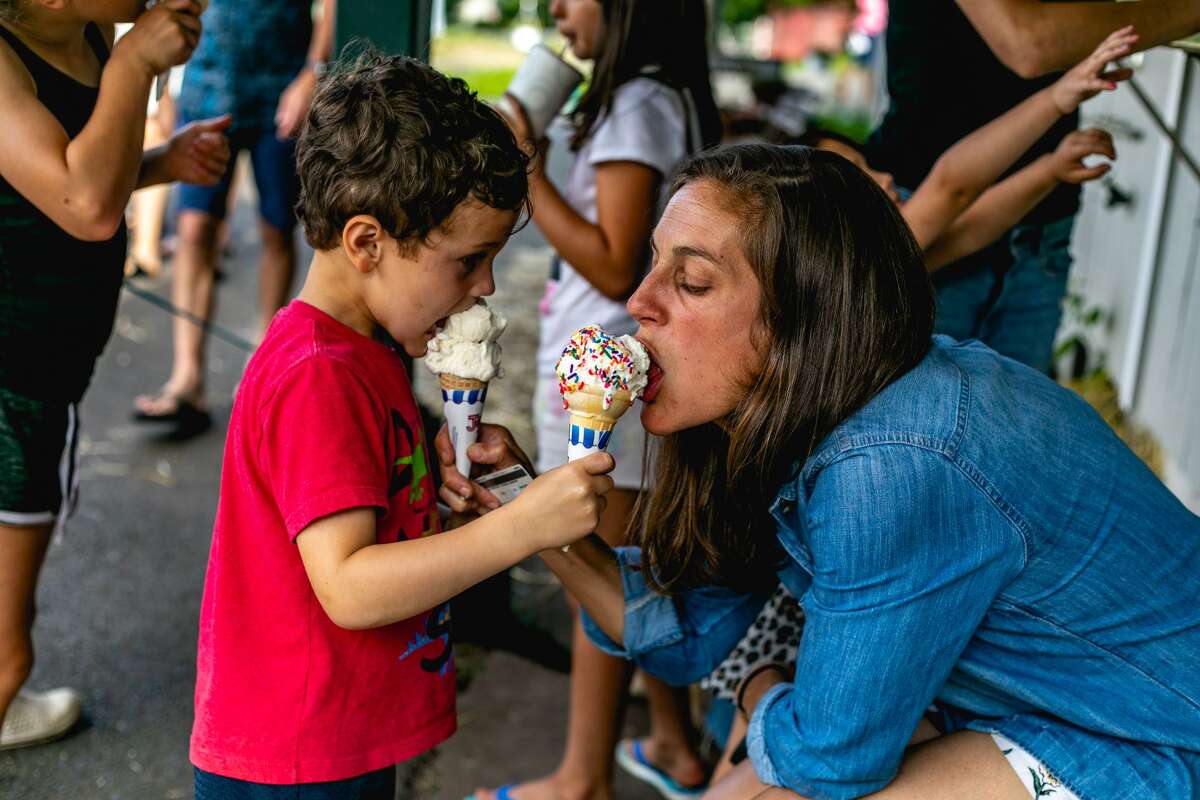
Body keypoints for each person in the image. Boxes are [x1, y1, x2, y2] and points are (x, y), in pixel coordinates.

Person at [441, 143, 1200, 798]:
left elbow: (832, 761)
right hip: (1034, 698)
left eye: (692, 282)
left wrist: (763, 685)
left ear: (799, 320)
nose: (638, 302)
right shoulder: (805, 415)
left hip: (1150, 734)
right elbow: (684, 629)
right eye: (652, 268)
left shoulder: (891, 466)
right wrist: (521, 503)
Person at [188, 52, 617, 800]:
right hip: (299, 758)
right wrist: (521, 530)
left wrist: (454, 479)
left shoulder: (368, 348)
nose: (484, 285)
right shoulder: (318, 375)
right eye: (469, 261)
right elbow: (350, 587)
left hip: (340, 737)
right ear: (366, 243)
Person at [483, 1, 721, 798]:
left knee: (601, 575)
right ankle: (673, 741)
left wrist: (528, 171)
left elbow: (617, 265)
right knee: (643, 568)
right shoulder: (651, 96)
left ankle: (580, 778)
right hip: (622, 369)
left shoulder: (636, 102)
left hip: (611, 375)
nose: (554, 8)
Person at [0, 0, 227, 750]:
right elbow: (86, 204)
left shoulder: (90, 31)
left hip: (48, 368)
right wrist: (135, 65)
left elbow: (67, 173)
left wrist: (163, 164)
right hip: (13, 381)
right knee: (5, 651)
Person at [867, 0, 1200, 375]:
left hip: (1032, 221)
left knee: (1022, 416)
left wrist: (1050, 165)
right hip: (928, 220)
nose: (878, 182)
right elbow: (1031, 45)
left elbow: (961, 207)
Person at [132, 0, 335, 434]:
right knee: (193, 228)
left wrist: (312, 73)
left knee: (277, 229)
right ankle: (187, 379)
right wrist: (164, 86)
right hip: (207, 85)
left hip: (280, 84)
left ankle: (260, 371)